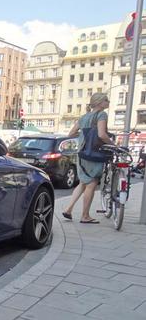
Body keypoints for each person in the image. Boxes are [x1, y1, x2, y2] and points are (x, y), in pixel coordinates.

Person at [62, 93, 113, 224]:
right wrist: (113, 144)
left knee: (83, 182)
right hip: (93, 153)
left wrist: (85, 133)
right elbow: (102, 134)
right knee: (92, 183)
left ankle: (68, 209)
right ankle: (85, 216)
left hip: (82, 153)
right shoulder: (102, 115)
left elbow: (71, 133)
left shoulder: (84, 117)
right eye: (106, 100)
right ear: (100, 102)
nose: (108, 102)